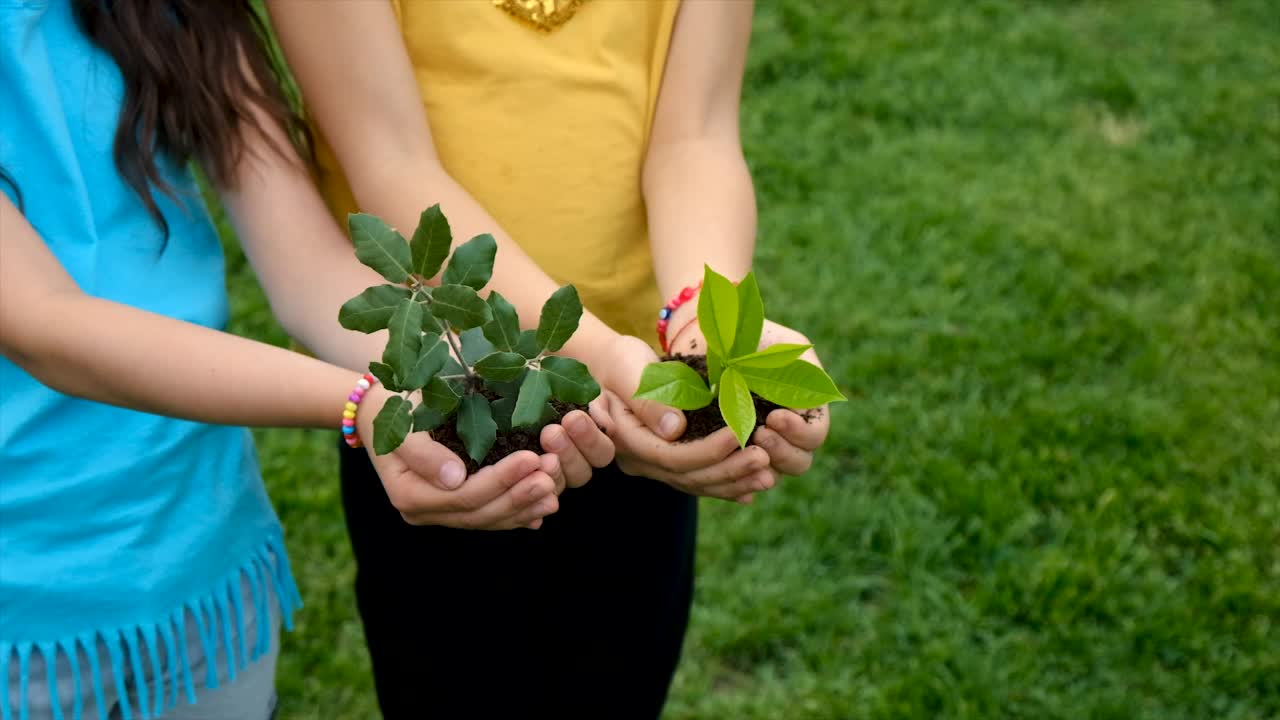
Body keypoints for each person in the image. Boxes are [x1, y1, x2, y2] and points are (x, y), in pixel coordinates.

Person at [0, 2, 611, 718]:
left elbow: (308, 266)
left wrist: (465, 384)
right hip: (23, 614)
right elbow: (46, 326)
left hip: (200, 573)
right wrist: (363, 403)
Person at [269, 0, 835, 716]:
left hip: (641, 396)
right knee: (449, 679)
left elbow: (694, 137)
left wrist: (703, 325)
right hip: (441, 400)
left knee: (618, 676)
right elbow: (390, 164)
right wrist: (600, 354)